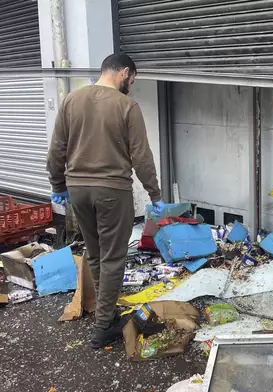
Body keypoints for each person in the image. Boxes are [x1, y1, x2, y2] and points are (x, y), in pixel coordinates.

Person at [46, 53, 165, 349]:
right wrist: (155, 194)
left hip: (77, 191)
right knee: (113, 258)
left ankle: (107, 311)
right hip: (112, 191)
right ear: (124, 72)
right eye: (132, 80)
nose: (131, 86)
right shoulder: (126, 106)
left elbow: (57, 149)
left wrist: (58, 184)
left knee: (97, 253)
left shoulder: (72, 100)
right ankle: (103, 328)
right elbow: (142, 156)